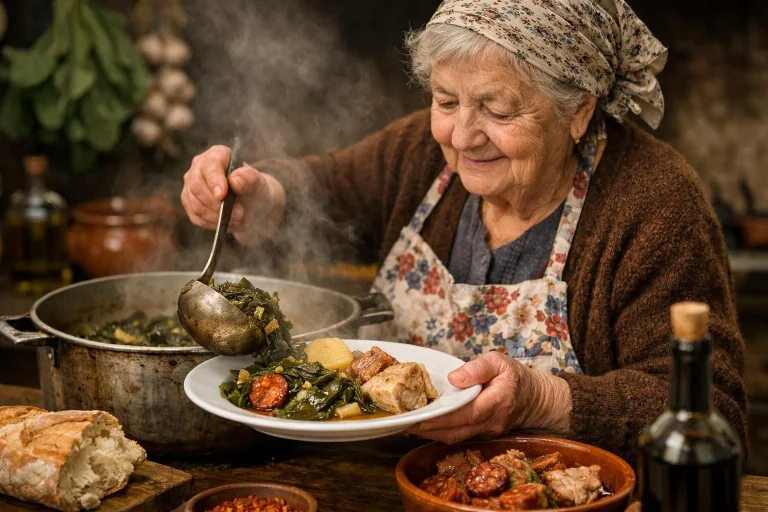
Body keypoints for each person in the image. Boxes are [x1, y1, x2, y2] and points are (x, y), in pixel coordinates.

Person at [180, 0, 747, 462]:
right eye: (445, 101)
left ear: (578, 111)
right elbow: (327, 192)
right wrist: (263, 197)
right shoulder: (420, 152)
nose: (462, 136)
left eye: (498, 111)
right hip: (382, 478)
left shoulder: (656, 204)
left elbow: (711, 410)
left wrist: (543, 400)